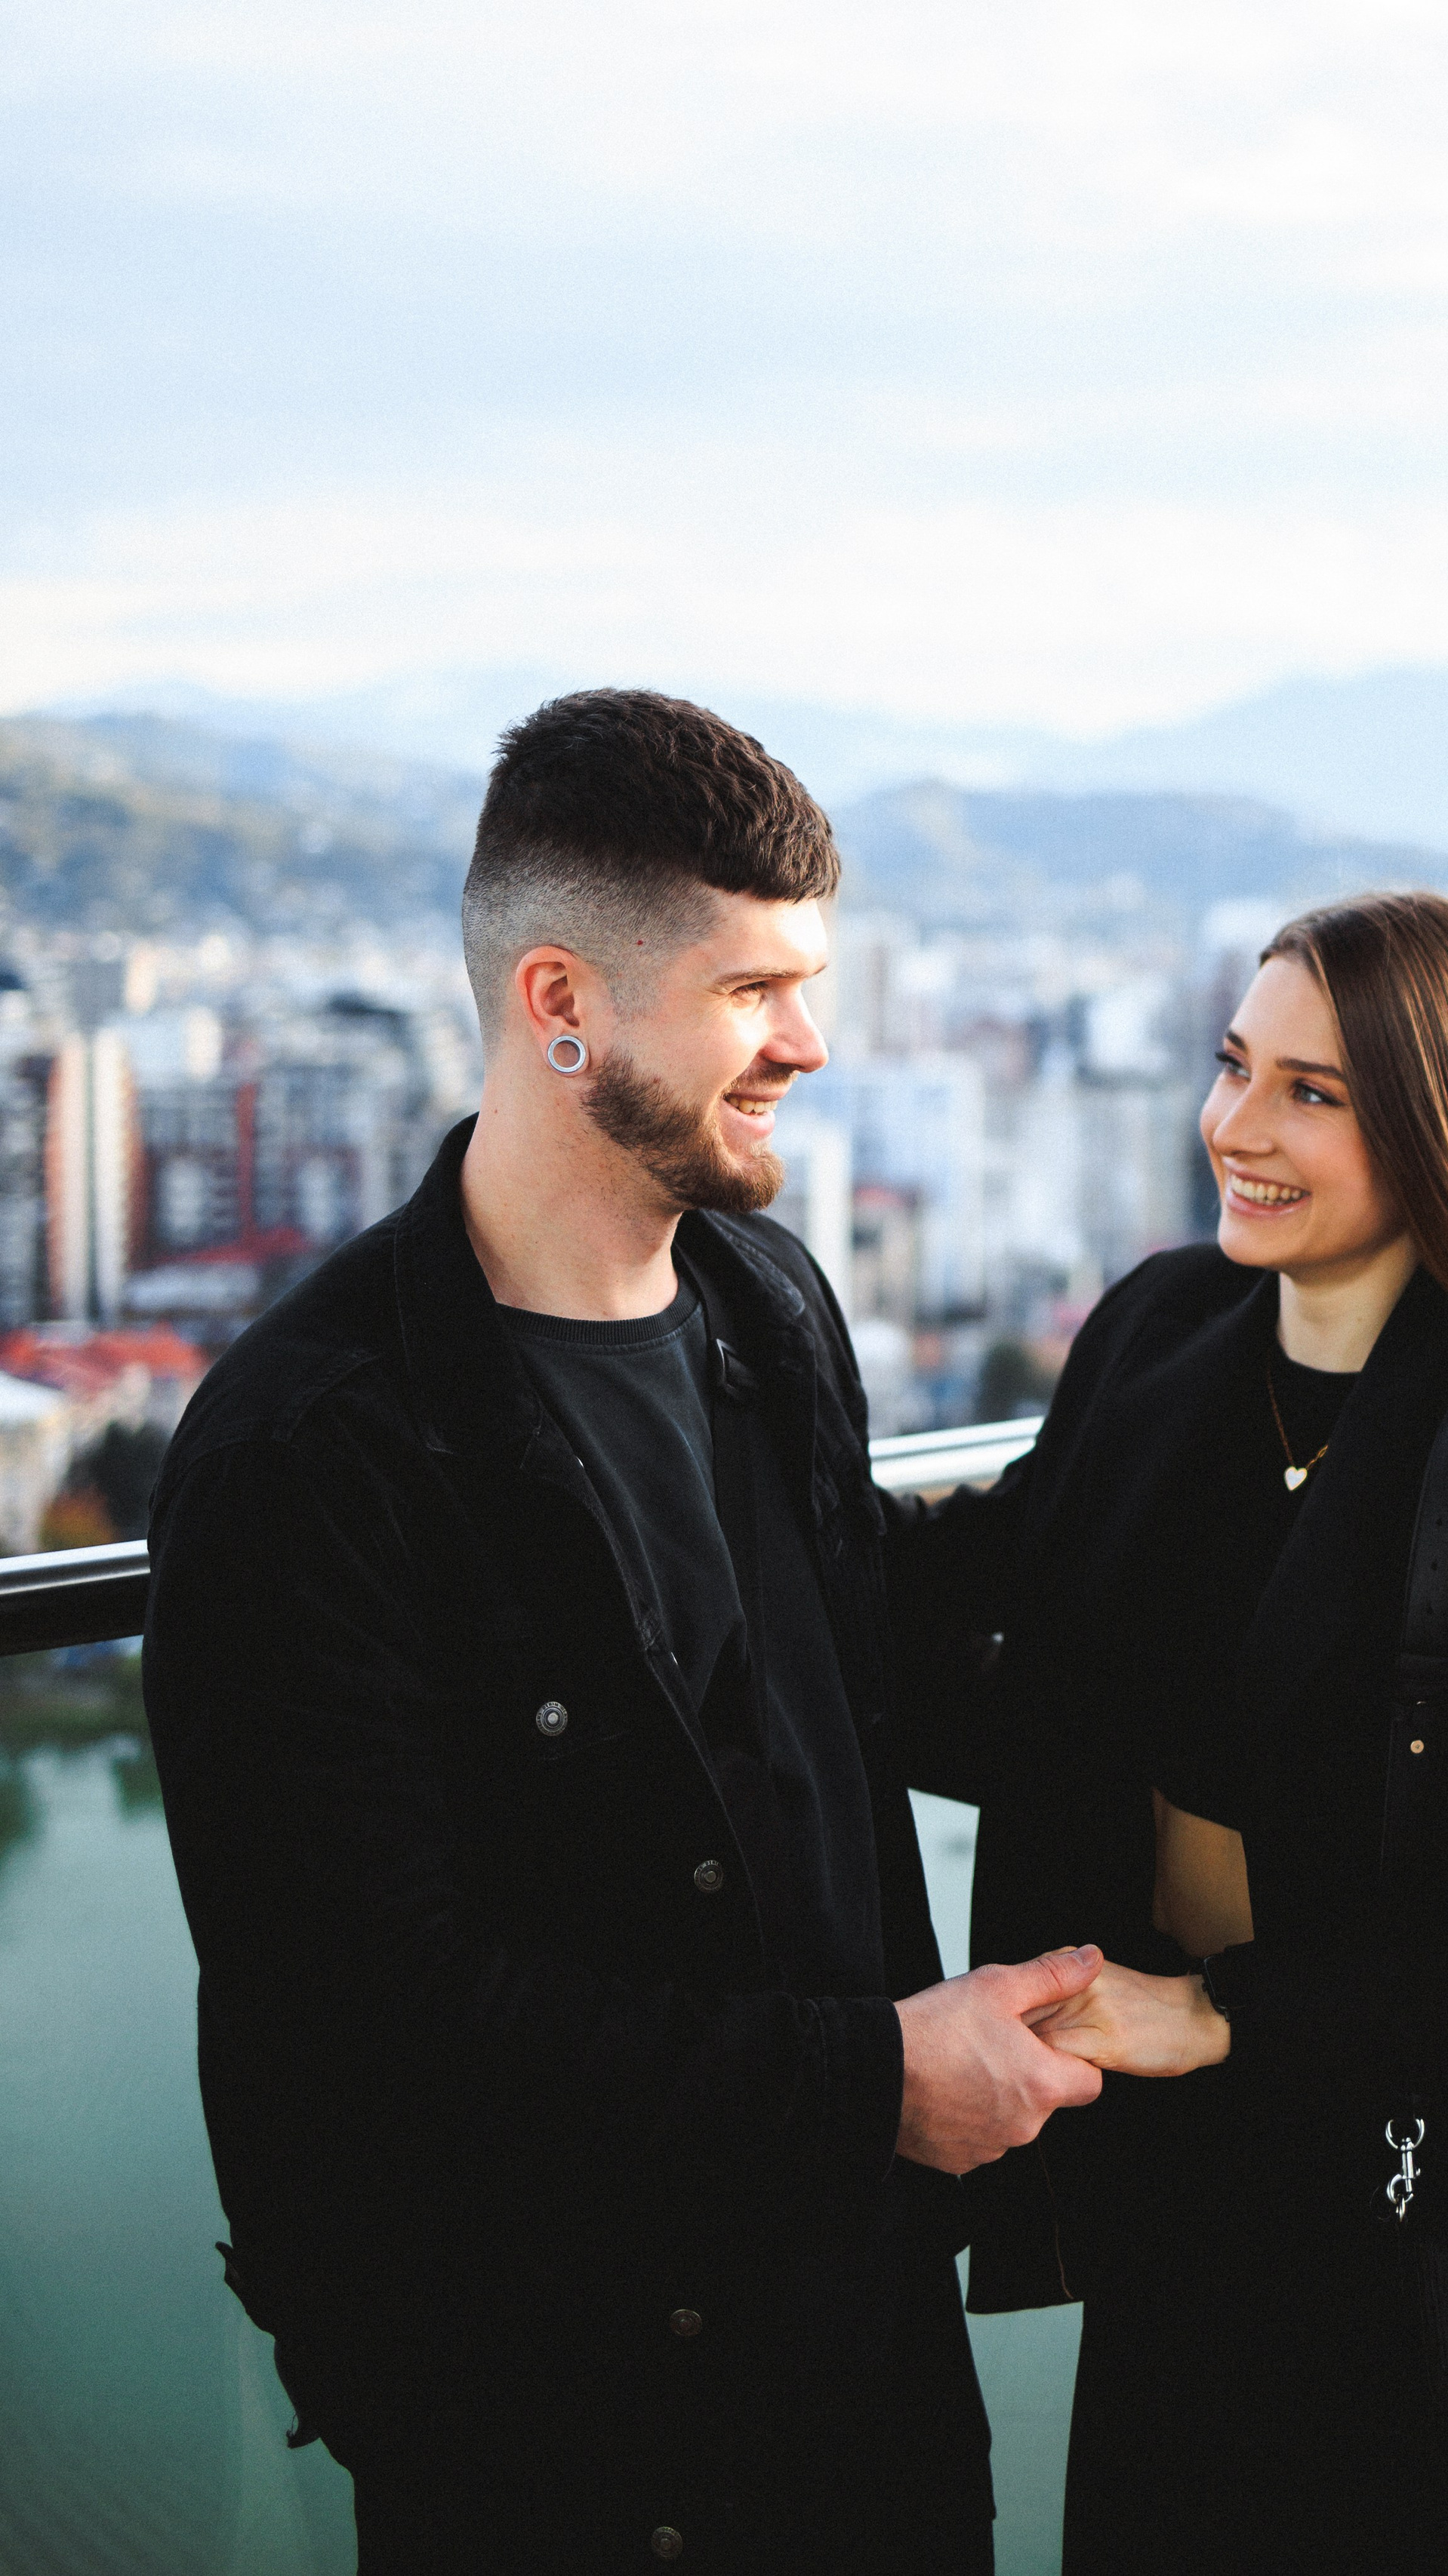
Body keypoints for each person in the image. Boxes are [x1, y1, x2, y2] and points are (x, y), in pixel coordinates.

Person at [142, 689, 1105, 2576]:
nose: (809, 1045)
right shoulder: (309, 1452)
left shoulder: (764, 1301)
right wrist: (876, 2086)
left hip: (864, 2366)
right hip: (568, 2433)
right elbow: (369, 2026)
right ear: (560, 1005)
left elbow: (867, 1652)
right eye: (754, 992)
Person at [889, 891, 1448, 2574]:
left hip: (1442, 2230)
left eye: (1310, 1095)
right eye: (1232, 1065)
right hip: (1189, 2211)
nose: (1232, 1129)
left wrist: (1213, 2015)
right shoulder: (1163, 1335)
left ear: (1434, 1123)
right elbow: (976, 1597)